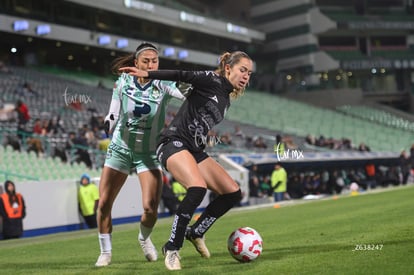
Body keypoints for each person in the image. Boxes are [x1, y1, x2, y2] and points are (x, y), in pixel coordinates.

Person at [120, 50, 253, 270]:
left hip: (194, 149)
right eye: (243, 70)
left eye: (249, 73)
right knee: (197, 188)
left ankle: (196, 231)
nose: (246, 76)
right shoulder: (212, 80)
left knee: (232, 192)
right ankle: (172, 247)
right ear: (228, 68)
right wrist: (148, 73)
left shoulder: (226, 96)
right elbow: (182, 74)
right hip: (172, 143)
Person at [95, 42, 186, 267]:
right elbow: (113, 112)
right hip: (121, 149)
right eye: (145, 61)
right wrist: (109, 122)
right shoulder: (123, 82)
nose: (150, 64)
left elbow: (183, 94)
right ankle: (105, 252)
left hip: (148, 152)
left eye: (154, 61)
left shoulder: (162, 83)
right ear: (136, 63)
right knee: (104, 203)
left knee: (150, 208)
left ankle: (144, 238)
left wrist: (203, 84)